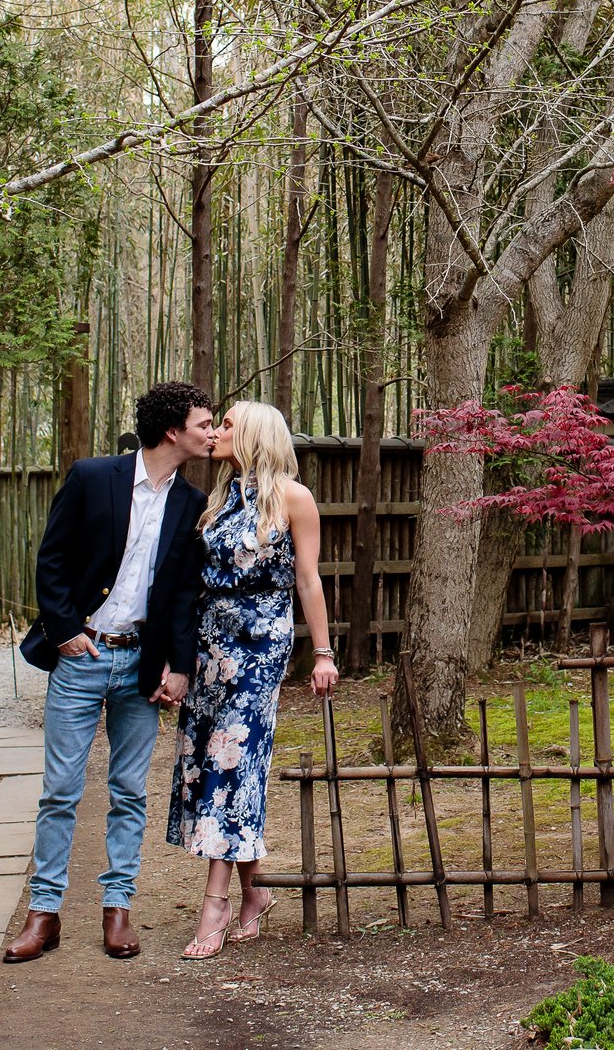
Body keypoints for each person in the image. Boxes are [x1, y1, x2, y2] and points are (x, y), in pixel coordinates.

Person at [4, 380, 217, 964]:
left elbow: (181, 598)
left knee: (128, 792)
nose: (213, 431)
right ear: (173, 430)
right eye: (205, 423)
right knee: (61, 791)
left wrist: (179, 666)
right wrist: (64, 628)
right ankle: (43, 914)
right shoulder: (93, 476)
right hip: (83, 655)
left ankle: (117, 910)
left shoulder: (191, 504)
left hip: (141, 664)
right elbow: (52, 559)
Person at [167, 397, 338, 959]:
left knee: (230, 757)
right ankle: (255, 892)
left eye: (227, 424)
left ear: (254, 435)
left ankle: (213, 902)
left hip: (261, 643)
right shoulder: (217, 497)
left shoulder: (294, 497)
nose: (215, 431)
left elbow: (308, 582)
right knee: (215, 759)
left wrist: (323, 653)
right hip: (210, 643)